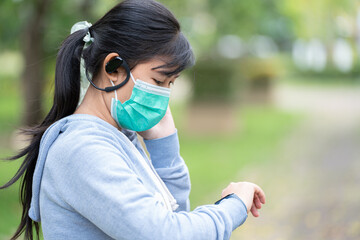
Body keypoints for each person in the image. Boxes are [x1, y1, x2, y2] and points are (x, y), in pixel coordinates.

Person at [1, 0, 266, 239]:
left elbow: (172, 219)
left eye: (170, 84)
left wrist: (166, 151)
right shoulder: (82, 150)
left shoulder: (118, 137)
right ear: (114, 68)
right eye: (158, 81)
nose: (164, 96)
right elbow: (167, 235)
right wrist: (234, 206)